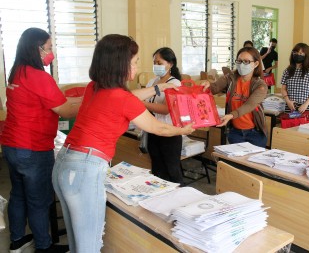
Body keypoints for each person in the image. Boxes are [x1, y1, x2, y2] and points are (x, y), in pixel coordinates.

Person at [52, 34, 194, 253]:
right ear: (120, 64)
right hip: (85, 170)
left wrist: (158, 88)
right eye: (135, 62)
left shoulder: (95, 87)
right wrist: (183, 130)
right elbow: (159, 128)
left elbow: (129, 96)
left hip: (64, 164)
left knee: (76, 242)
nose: (137, 67)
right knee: (89, 245)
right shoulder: (122, 98)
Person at [0, 28, 80, 252]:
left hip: (12, 146)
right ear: (37, 48)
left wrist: (86, 97)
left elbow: (58, 99)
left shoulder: (18, 72)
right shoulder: (38, 76)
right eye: (49, 47)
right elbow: (65, 110)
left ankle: (17, 241)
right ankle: (44, 247)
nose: (51, 52)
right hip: (33, 148)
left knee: (18, 194)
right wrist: (95, 103)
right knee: (39, 200)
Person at [201, 47, 268, 147]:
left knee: (251, 162)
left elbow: (250, 105)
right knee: (234, 162)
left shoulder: (260, 85)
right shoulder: (231, 78)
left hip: (255, 133)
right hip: (235, 132)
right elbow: (215, 87)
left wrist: (231, 115)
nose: (241, 65)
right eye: (239, 61)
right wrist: (207, 86)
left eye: (246, 62)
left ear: (256, 64)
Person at [143, 47, 183, 184]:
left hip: (169, 133)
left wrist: (143, 104)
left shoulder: (175, 83)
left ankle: (178, 200)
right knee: (157, 171)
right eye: (154, 63)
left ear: (170, 64)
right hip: (153, 131)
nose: (156, 66)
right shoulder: (151, 82)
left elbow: (166, 109)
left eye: (160, 63)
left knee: (172, 171)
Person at [281, 43, 309, 118]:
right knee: (289, 128)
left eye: (301, 53)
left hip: (305, 106)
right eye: (295, 52)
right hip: (290, 105)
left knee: (304, 128)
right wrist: (288, 101)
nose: (297, 55)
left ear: (306, 55)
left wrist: (306, 104)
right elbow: (283, 88)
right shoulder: (287, 70)